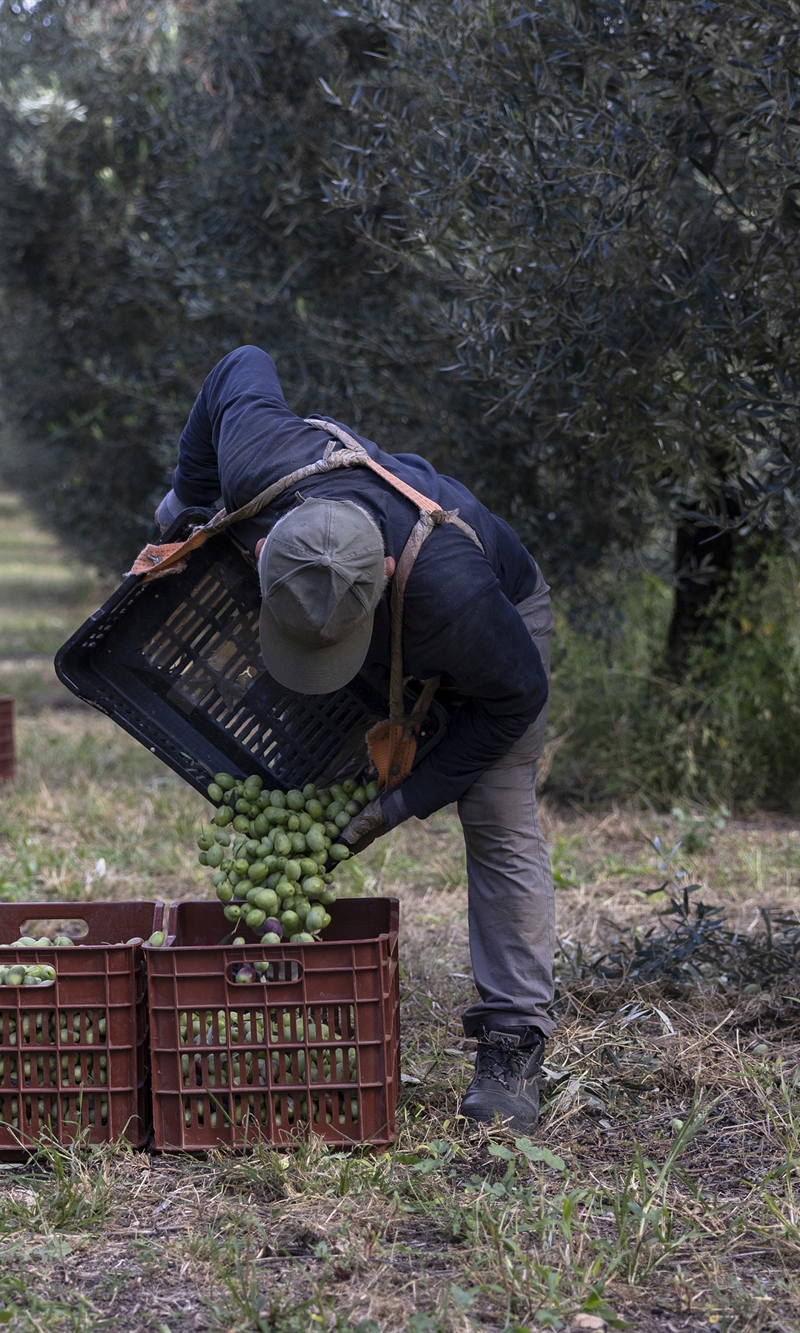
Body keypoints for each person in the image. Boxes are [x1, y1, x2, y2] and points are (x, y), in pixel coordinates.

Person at [157, 345, 555, 1132]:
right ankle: (268, 993)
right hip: (379, 618)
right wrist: (183, 505)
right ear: (267, 550)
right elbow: (240, 360)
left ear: (380, 576)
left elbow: (514, 703)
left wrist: (400, 801)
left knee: (499, 810)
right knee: (292, 786)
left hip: (492, 644)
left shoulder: (460, 601)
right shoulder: (260, 458)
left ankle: (514, 1039)